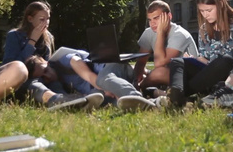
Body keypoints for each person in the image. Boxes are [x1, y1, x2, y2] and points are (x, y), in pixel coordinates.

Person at [2, 1, 102, 111]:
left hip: (44, 77)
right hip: (24, 80)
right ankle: (57, 100)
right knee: (34, 83)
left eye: (48, 18)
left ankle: (69, 100)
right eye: (41, 19)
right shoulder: (15, 35)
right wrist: (32, 41)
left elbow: (47, 62)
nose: (46, 22)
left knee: (54, 81)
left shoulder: (48, 36)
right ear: (30, 19)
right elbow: (10, 65)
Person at [168, 0, 233, 107]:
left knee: (224, 61)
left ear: (221, 4)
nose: (205, 15)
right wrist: (197, 60)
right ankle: (177, 93)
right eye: (202, 11)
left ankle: (179, 94)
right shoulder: (205, 29)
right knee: (177, 61)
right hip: (210, 76)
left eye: (209, 10)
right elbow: (206, 61)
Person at [26, 48, 167, 112]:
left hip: (113, 68)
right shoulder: (56, 83)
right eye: (43, 77)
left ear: (46, 62)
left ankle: (136, 98)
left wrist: (103, 87)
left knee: (101, 80)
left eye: (46, 70)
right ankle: (156, 103)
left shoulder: (60, 60)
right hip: (111, 85)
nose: (48, 76)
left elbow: (84, 71)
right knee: (103, 101)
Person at [134, 0, 199, 94]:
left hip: (187, 76)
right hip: (167, 74)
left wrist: (161, 32)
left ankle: (139, 90)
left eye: (156, 18)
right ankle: (146, 88)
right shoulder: (149, 32)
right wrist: (136, 79)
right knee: (130, 69)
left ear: (169, 17)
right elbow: (141, 62)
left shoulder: (180, 34)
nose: (152, 24)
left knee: (158, 72)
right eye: (150, 20)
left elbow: (159, 64)